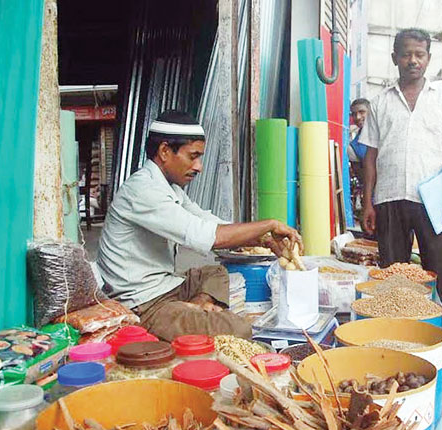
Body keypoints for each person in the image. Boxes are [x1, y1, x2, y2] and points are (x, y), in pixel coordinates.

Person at [97, 110, 303, 341]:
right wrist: (270, 224)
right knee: (239, 330)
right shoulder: (143, 191)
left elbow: (208, 221)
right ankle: (191, 313)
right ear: (165, 151)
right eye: (193, 156)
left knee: (216, 273)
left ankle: (197, 305)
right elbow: (207, 236)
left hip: (167, 286)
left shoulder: (169, 188)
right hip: (144, 303)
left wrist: (262, 238)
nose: (199, 167)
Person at [359, 28, 442, 337]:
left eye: (419, 55)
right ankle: (399, 334)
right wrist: (368, 201)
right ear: (395, 58)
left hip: (433, 200)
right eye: (406, 54)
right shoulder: (380, 102)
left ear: (428, 59)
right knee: (394, 271)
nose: (413, 60)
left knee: (441, 270)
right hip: (390, 197)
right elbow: (371, 156)